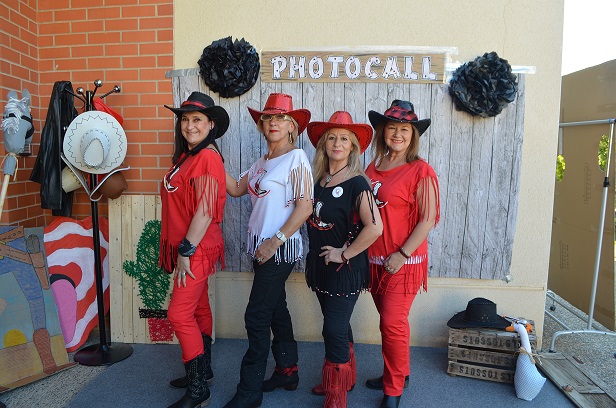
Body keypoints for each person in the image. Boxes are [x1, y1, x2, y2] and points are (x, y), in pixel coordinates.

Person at [224, 93, 313, 408]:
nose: (273, 122)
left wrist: (275, 241)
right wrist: (210, 156)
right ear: (262, 125)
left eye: (281, 118)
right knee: (275, 308)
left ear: (291, 126)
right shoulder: (260, 163)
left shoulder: (297, 158)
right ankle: (288, 371)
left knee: (256, 315)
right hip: (260, 248)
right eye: (268, 118)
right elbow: (236, 188)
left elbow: (305, 207)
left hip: (278, 248)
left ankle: (249, 392)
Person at [364, 100, 440, 408]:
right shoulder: (373, 167)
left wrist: (402, 254)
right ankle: (398, 372)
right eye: (392, 128)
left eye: (405, 130)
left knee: (392, 324)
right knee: (391, 322)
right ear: (383, 132)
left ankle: (393, 390)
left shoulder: (421, 170)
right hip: (374, 260)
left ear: (413, 136)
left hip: (402, 261)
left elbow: (428, 219)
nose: (397, 134)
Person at [305, 111, 383, 408]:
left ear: (353, 147)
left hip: (345, 268)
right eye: (332, 138)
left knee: (333, 329)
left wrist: (344, 253)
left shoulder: (358, 183)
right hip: (322, 266)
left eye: (344, 139)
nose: (337, 144)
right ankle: (344, 378)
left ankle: (336, 395)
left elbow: (375, 227)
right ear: (324, 144)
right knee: (336, 324)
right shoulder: (319, 180)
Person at [159, 92, 229, 408]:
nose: (189, 125)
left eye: (197, 119)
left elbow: (205, 210)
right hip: (191, 246)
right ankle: (204, 371)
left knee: (179, 313)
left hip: (196, 248)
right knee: (198, 307)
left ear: (210, 124)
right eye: (185, 119)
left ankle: (199, 389)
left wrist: (185, 250)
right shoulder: (190, 155)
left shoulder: (207, 157)